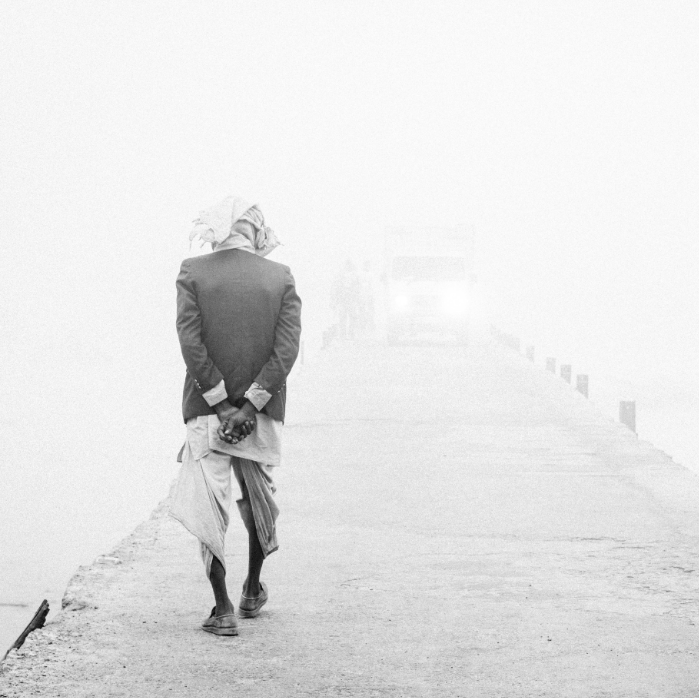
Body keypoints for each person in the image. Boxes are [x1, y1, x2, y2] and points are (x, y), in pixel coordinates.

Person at [170, 195, 302, 636]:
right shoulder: (280, 276)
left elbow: (191, 343)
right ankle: (251, 590)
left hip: (206, 412)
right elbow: (286, 350)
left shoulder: (193, 272)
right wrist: (249, 406)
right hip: (261, 413)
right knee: (258, 498)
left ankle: (222, 608)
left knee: (211, 505)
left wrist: (222, 404)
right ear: (254, 229)